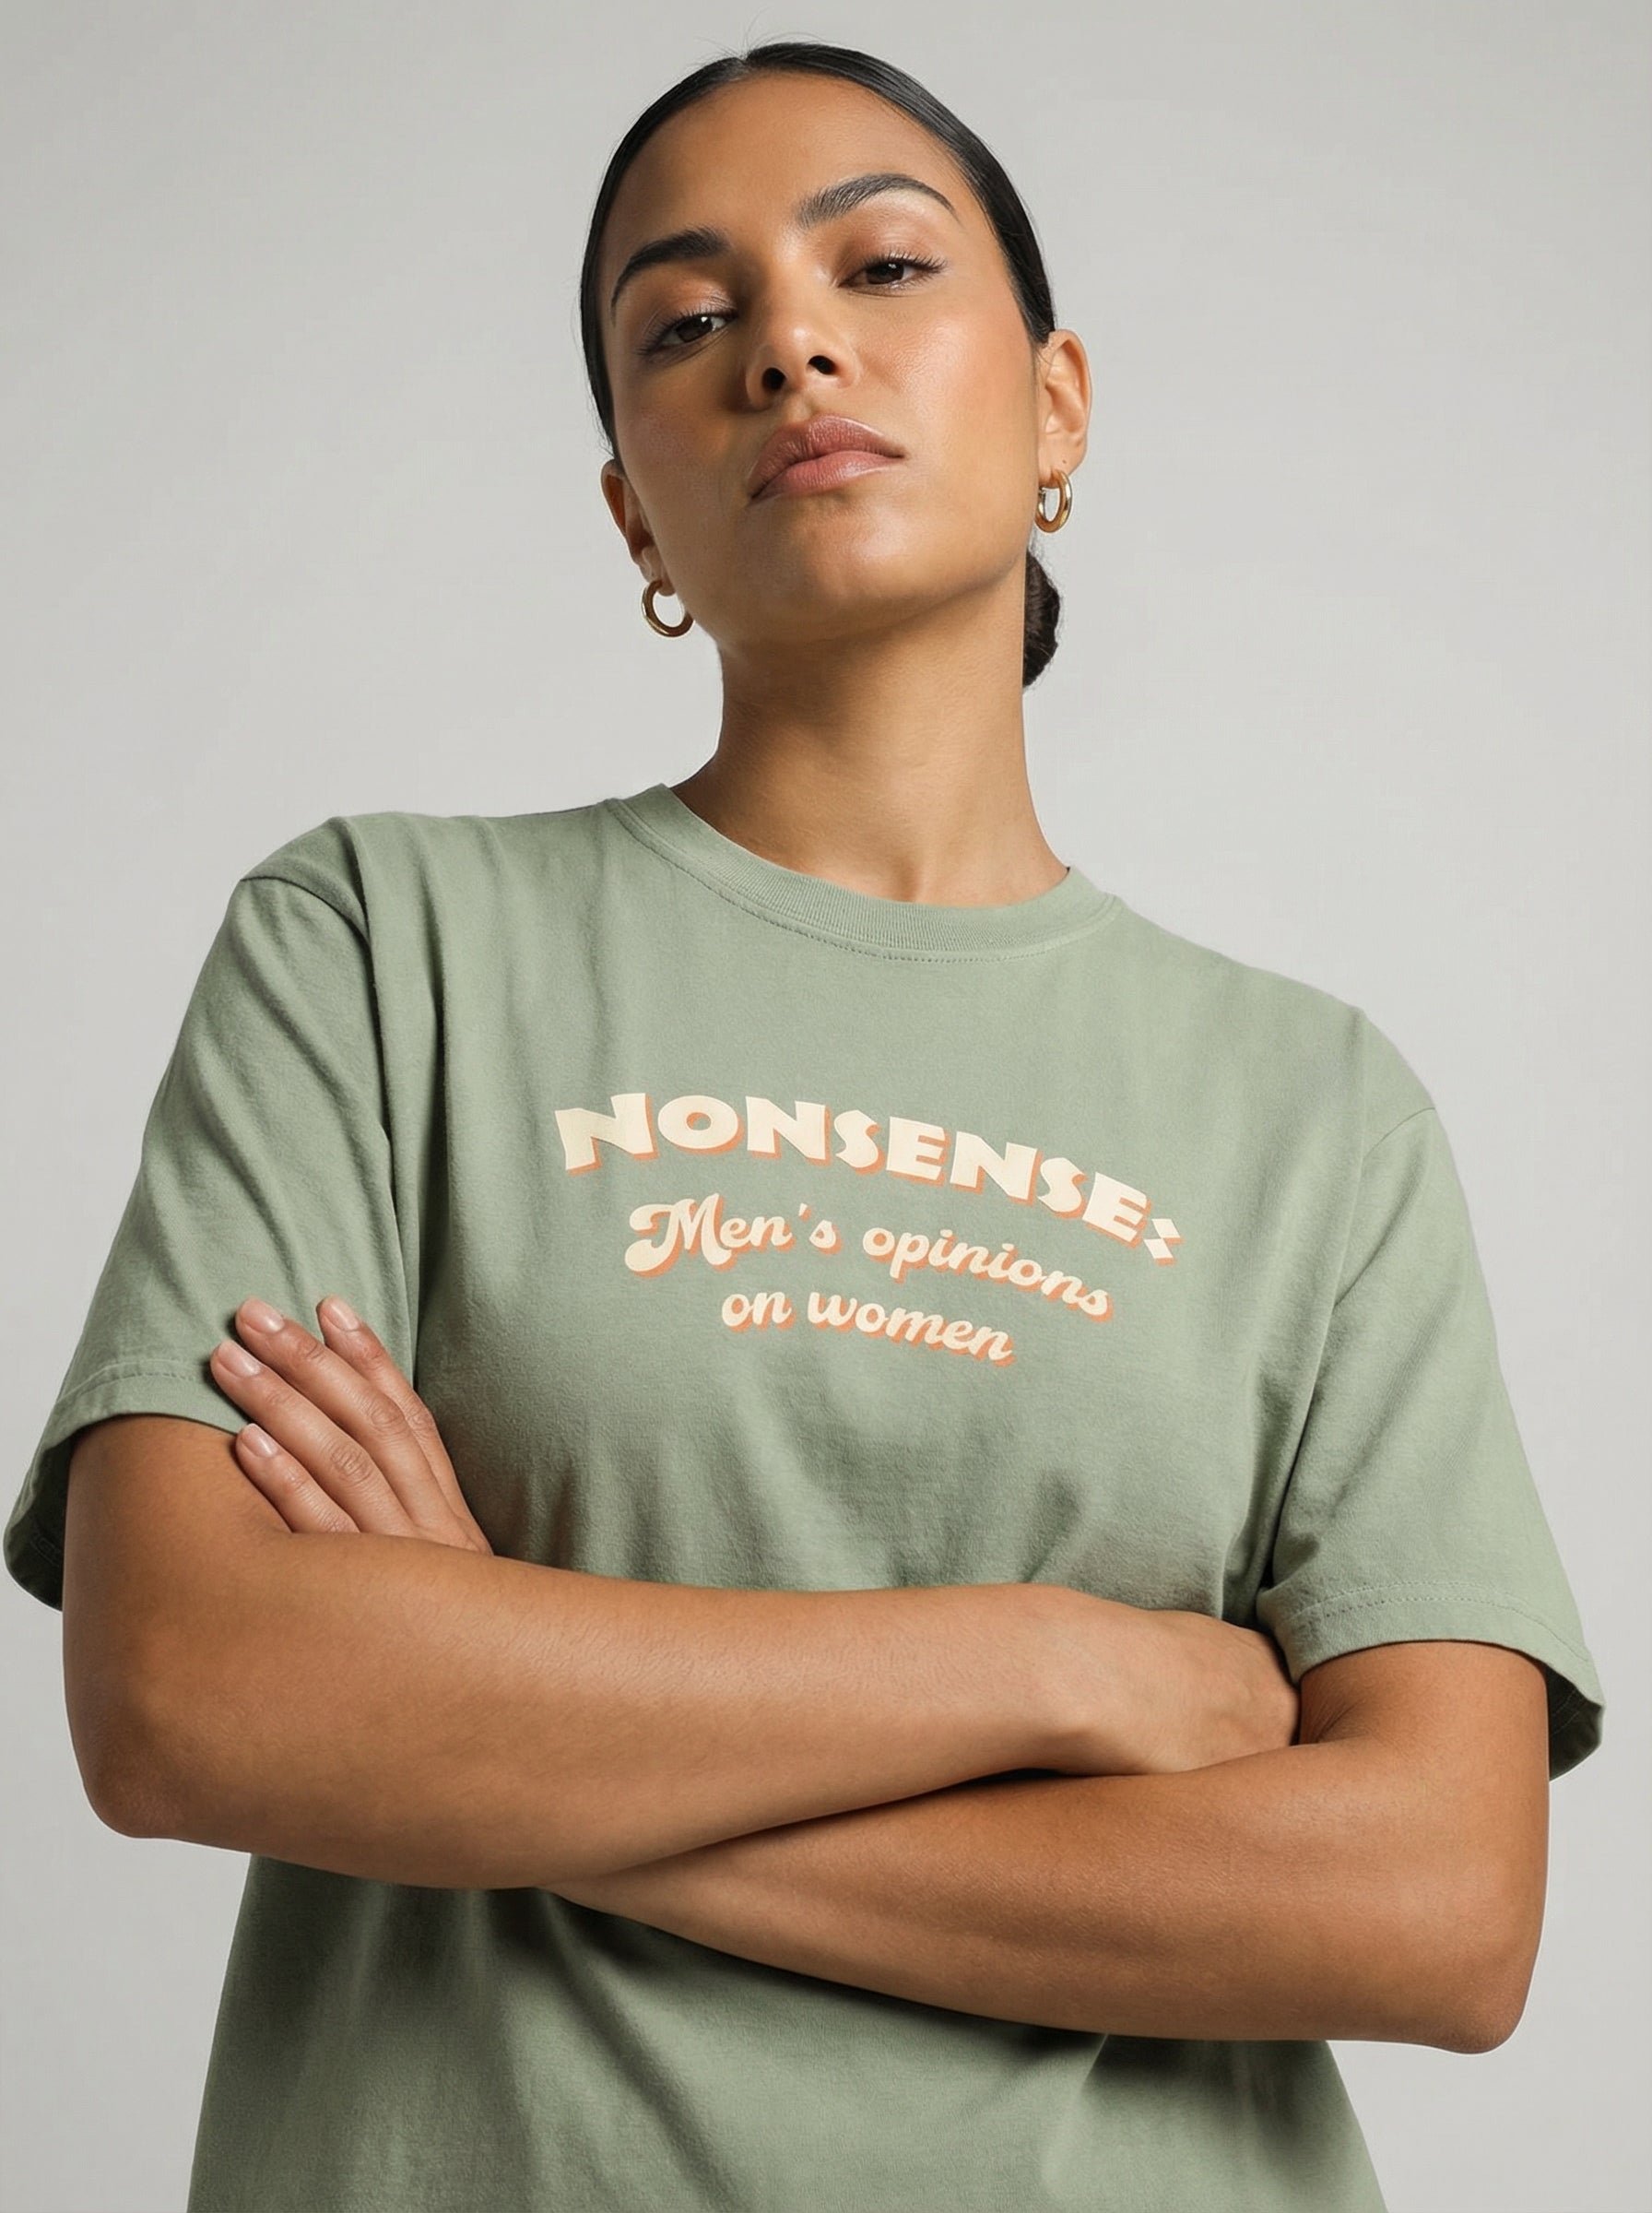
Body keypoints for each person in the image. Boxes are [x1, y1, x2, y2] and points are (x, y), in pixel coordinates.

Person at [6, 38, 1605, 2213]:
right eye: (684, 323)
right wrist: (1056, 1667)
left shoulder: (1313, 1112)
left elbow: (1434, 1911)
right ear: (629, 513)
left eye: (881, 266)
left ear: (1055, 407)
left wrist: (496, 1719)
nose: (787, 345)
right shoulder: (381, 947)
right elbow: (191, 1693)